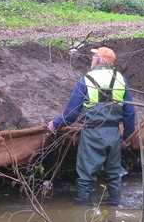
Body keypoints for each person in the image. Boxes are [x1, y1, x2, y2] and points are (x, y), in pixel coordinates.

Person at [47, 47, 136, 206]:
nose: (92, 59)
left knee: (86, 175)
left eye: (94, 56)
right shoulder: (121, 79)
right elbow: (129, 113)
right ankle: (114, 210)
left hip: (92, 133)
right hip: (113, 134)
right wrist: (126, 135)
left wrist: (56, 124)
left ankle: (83, 212)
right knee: (114, 175)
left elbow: (71, 114)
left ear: (100, 60)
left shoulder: (86, 79)